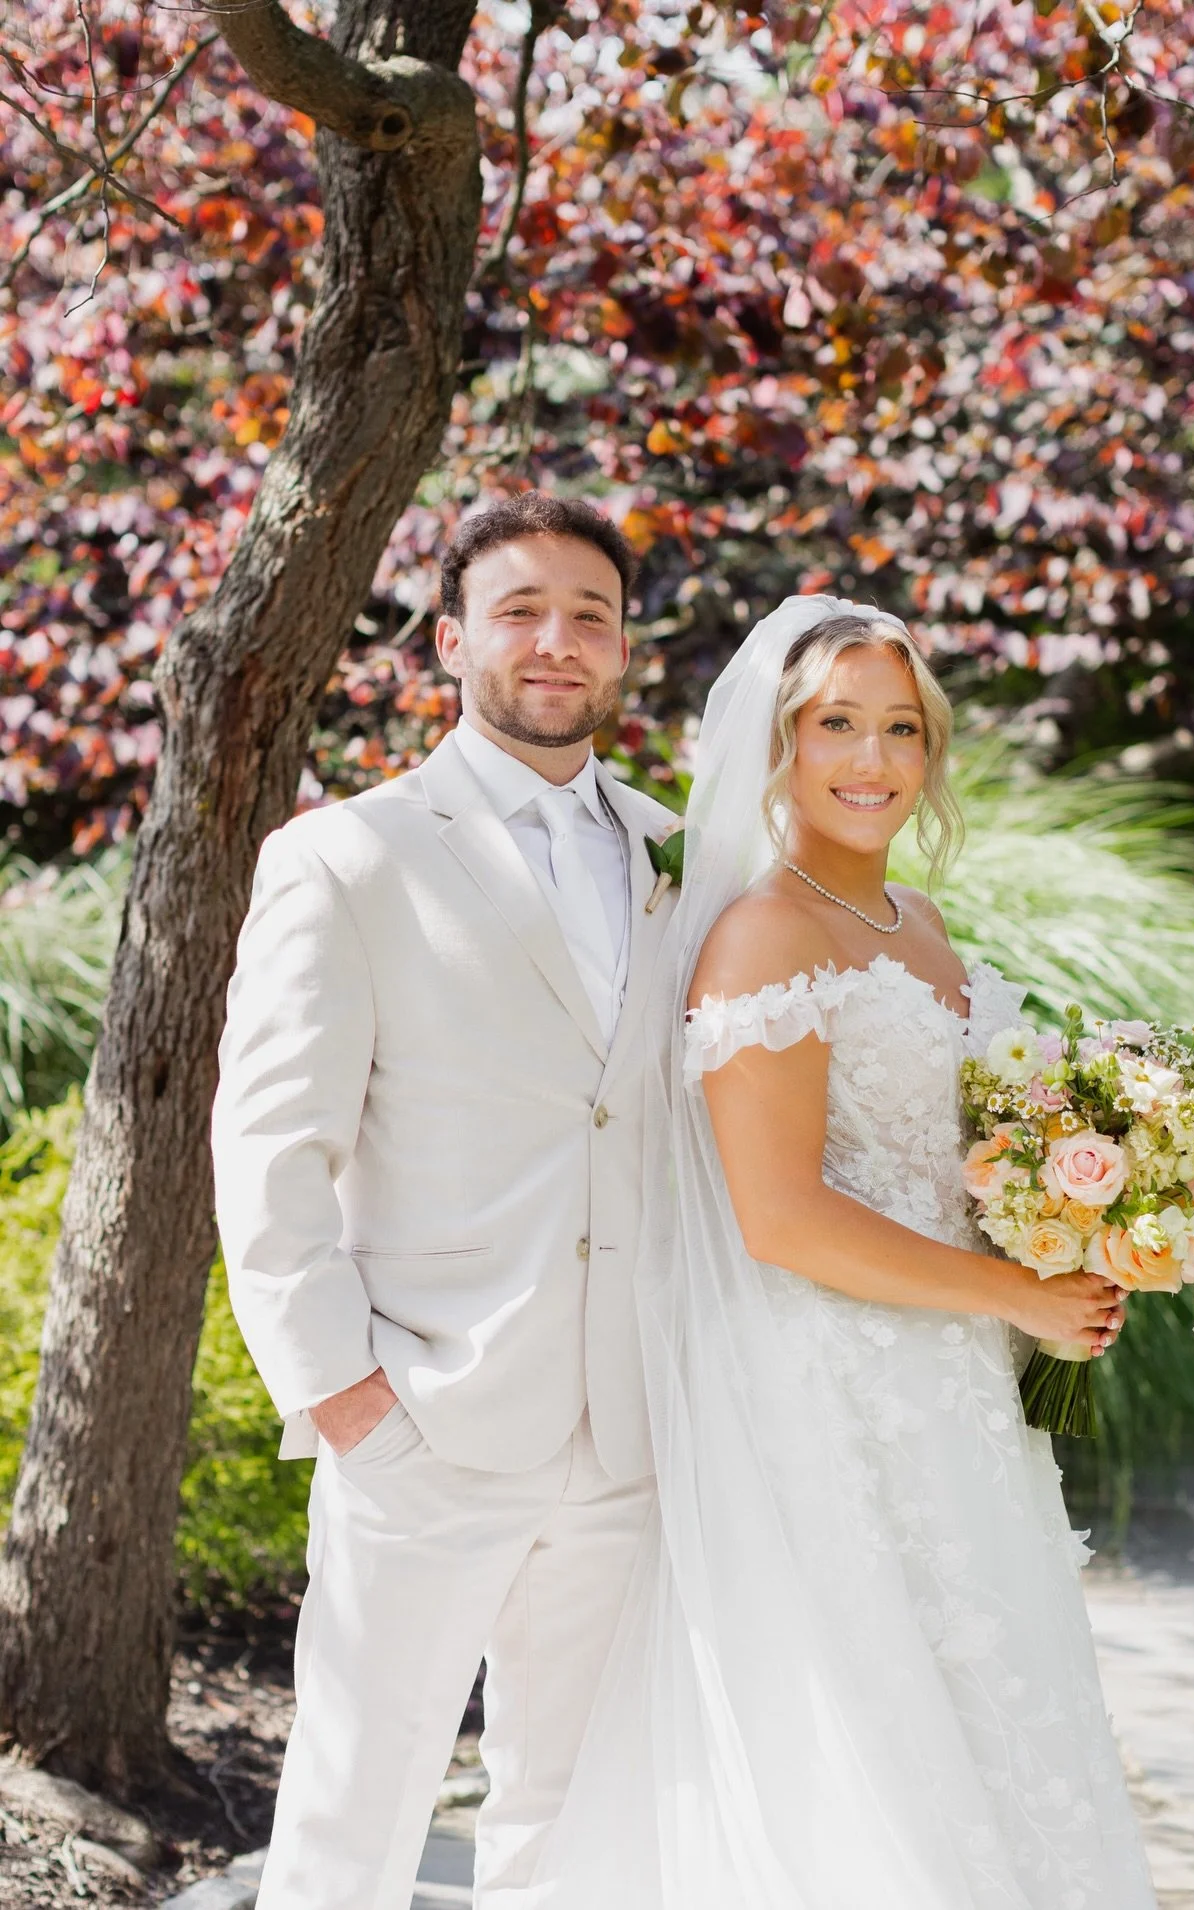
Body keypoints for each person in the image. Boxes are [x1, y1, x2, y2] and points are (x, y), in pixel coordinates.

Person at [516, 596, 1158, 1909]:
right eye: (837, 726)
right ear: (780, 745)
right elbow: (783, 1217)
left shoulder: (917, 920)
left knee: (995, 1693)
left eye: (901, 728)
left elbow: (951, 1160)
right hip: (836, 1387)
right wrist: (1021, 1291)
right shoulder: (766, 935)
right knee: (874, 1723)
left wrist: (1091, 1227)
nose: (872, 759)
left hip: (958, 1381)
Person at [211, 494, 679, 1910]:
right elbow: (269, 1147)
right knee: (356, 1813)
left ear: (623, 651)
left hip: (629, 1434)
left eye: (589, 615)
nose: (558, 641)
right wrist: (346, 1398)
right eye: (523, 609)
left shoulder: (680, 858)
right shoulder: (347, 856)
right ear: (450, 638)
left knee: (573, 1819)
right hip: (423, 1417)